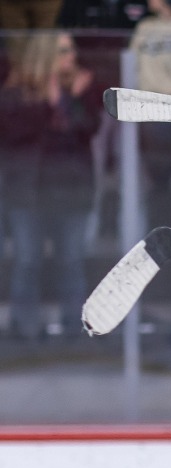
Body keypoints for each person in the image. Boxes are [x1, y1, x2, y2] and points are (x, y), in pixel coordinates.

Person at [0, 33, 98, 339]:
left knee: (71, 261)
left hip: (71, 190)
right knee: (27, 259)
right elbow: (15, 131)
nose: (72, 55)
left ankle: (75, 327)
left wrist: (70, 100)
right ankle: (24, 327)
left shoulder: (84, 88)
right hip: (27, 190)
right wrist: (51, 101)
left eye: (72, 49)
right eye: (63, 51)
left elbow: (87, 129)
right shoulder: (18, 89)